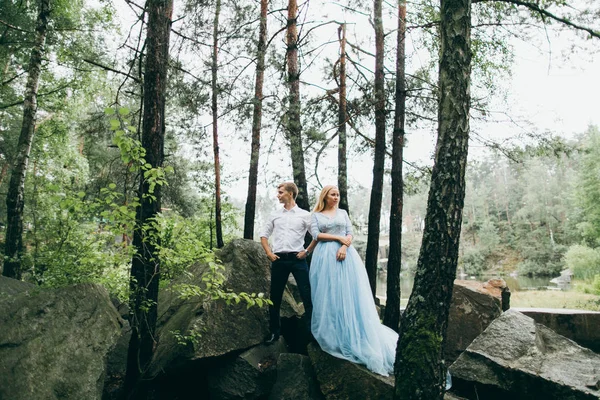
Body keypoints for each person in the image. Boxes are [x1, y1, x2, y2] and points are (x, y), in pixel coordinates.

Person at [309, 185, 398, 376]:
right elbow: (317, 235)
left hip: (346, 256)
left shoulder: (342, 213)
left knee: (349, 293)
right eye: (333, 194)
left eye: (338, 195)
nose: (336, 197)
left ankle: (353, 331)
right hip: (324, 257)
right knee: (328, 293)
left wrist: (344, 245)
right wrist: (337, 239)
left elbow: (349, 233)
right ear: (325, 196)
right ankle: (333, 334)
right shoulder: (316, 215)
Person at [260, 182, 316, 344]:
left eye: (280, 192)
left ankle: (312, 334)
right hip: (279, 260)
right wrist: (269, 253)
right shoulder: (275, 215)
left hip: (298, 261)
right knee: (275, 297)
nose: (278, 195)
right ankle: (274, 333)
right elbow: (264, 235)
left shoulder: (305, 215)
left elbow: (316, 236)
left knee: (307, 296)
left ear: (290, 194)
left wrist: (306, 252)